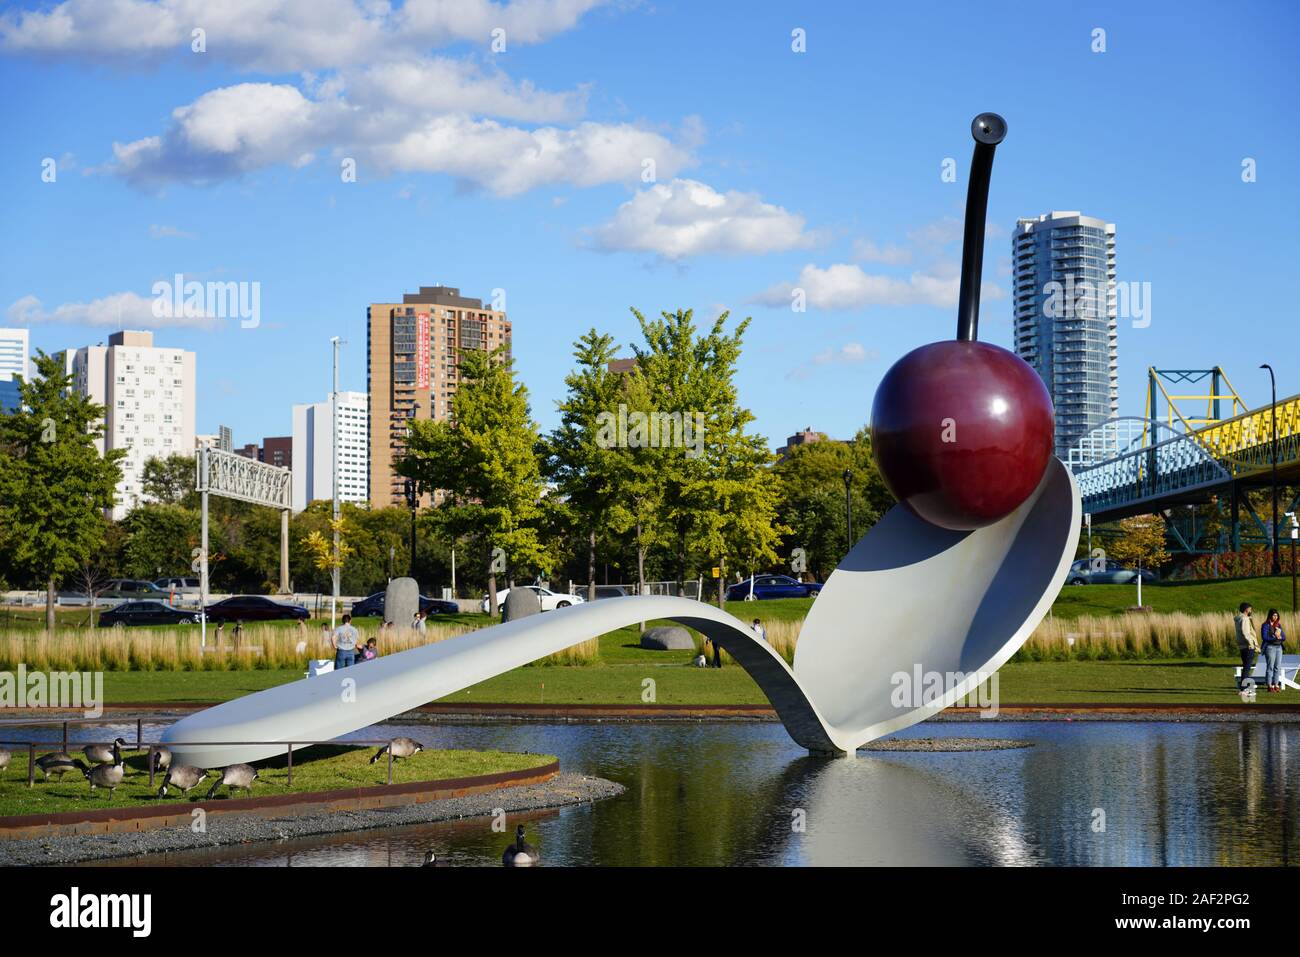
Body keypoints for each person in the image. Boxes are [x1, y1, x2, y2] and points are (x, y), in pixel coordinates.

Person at [1234, 602, 1259, 689]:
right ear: (1246, 609)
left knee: (1246, 666)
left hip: (1242, 646)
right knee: (1247, 667)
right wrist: (1252, 644)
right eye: (1250, 609)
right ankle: (1244, 687)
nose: (1251, 610)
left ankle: (1246, 685)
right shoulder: (1244, 619)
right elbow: (1246, 633)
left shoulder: (1239, 619)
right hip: (1248, 646)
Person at [1261, 608, 1287, 692]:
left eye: (1276, 615)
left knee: (1277, 667)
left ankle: (1276, 684)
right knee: (1270, 667)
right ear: (1270, 615)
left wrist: (1280, 637)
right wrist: (1274, 638)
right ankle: (1269, 685)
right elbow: (1264, 637)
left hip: (1279, 647)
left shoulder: (1278, 625)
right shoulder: (1265, 625)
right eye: (1273, 615)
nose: (1275, 617)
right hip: (1270, 647)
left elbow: (1284, 637)